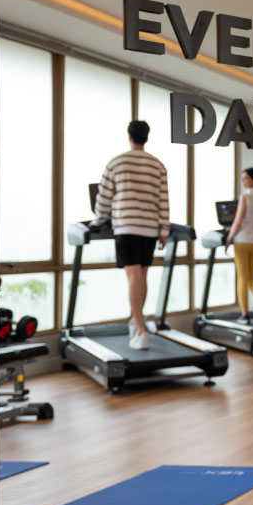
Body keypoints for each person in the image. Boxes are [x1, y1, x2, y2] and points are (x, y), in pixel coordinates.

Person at [92, 120, 170, 350]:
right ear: (147, 137)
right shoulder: (157, 165)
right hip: (149, 228)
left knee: (134, 275)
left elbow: (104, 196)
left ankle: (141, 328)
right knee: (142, 275)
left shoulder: (117, 162)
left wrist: (97, 220)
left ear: (129, 137)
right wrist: (163, 230)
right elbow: (163, 199)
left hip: (127, 226)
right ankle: (136, 322)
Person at [225, 167, 253, 324]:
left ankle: (244, 315)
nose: (243, 181)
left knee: (243, 278)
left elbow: (238, 221)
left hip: (242, 241)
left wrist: (229, 238)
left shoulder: (245, 196)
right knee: (252, 277)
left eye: (246, 178)